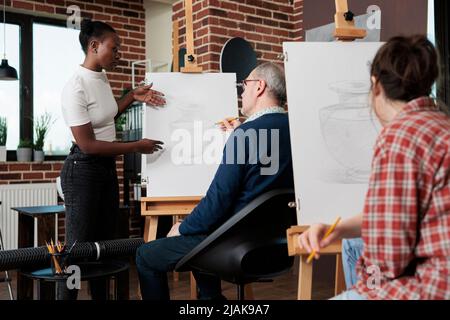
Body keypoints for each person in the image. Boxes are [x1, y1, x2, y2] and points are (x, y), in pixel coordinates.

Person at [298, 35, 450, 300]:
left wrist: (367, 287)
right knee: (352, 243)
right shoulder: (439, 124)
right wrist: (335, 229)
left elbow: (387, 259)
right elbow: (398, 215)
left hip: (432, 287)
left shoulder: (400, 136)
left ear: (376, 85)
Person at [136, 62, 294, 300]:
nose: (242, 91)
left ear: (260, 87)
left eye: (245, 84)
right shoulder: (295, 130)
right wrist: (240, 136)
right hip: (278, 246)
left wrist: (183, 226)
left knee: (145, 256)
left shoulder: (245, 135)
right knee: (204, 237)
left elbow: (219, 199)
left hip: (235, 244)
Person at [60, 19, 165, 299]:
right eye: (114, 48)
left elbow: (106, 114)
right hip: (82, 169)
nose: (119, 54)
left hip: (106, 169)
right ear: (94, 46)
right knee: (77, 251)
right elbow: (88, 144)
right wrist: (134, 147)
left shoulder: (101, 77)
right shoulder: (75, 87)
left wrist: (132, 96)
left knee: (103, 249)